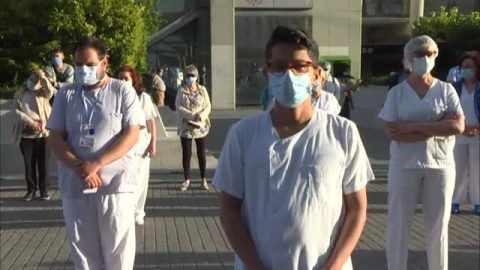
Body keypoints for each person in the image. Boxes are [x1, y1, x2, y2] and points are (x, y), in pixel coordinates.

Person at [213, 26, 374, 269]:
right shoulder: (243, 135)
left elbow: (357, 209)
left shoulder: (343, 133)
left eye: (299, 66)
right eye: (279, 67)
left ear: (317, 75)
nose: (289, 74)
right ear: (267, 74)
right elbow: (229, 211)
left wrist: (334, 265)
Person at [46, 37, 145, 269]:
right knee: (84, 255)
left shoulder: (122, 91)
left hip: (115, 188)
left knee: (118, 255)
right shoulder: (66, 95)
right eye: (79, 65)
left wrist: (97, 163)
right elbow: (55, 137)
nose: (83, 70)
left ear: (104, 63)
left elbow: (131, 134)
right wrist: (81, 167)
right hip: (77, 185)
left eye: (90, 65)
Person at [379, 35, 465, 270]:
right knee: (398, 225)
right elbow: (394, 132)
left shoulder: (446, 90)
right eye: (418, 54)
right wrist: (438, 126)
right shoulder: (397, 93)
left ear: (435, 56)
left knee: (438, 227)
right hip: (405, 164)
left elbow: (457, 126)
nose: (424, 58)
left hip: (440, 165)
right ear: (408, 58)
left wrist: (412, 127)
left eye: (429, 53)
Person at [116, 66, 158, 225]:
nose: (122, 81)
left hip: (141, 144)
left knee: (141, 179)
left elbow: (150, 121)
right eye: (120, 78)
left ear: (133, 80)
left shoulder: (143, 97)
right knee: (125, 178)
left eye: (125, 78)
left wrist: (153, 142)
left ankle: (138, 211)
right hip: (122, 144)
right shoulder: (114, 96)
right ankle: (126, 209)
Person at [12, 70, 55, 201]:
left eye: (35, 81)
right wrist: (30, 122)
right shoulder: (20, 94)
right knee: (29, 164)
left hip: (43, 134)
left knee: (43, 164)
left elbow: (51, 90)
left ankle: (44, 190)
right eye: (31, 79)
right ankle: (31, 190)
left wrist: (43, 77)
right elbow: (16, 111)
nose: (32, 82)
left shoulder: (44, 94)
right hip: (25, 135)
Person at [451, 52, 480, 215]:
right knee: (459, 169)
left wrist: (477, 128)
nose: (465, 70)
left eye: (469, 67)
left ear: (476, 68)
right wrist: (463, 128)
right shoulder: (454, 88)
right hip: (459, 135)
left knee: (477, 170)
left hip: (478, 136)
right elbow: (449, 111)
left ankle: (478, 202)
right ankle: (456, 201)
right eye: (463, 67)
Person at [175, 65, 211, 191]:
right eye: (188, 76)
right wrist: (192, 115)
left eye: (192, 76)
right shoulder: (181, 91)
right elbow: (178, 107)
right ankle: (187, 179)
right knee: (187, 153)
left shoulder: (202, 90)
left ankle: (203, 179)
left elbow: (208, 105)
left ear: (197, 77)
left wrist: (201, 115)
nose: (190, 78)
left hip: (200, 126)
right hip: (186, 126)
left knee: (201, 153)